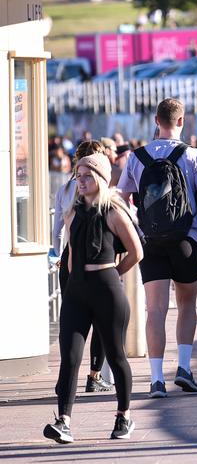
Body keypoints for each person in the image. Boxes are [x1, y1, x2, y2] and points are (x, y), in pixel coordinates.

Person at [117, 98, 197, 399]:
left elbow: (123, 198)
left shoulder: (136, 157)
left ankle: (156, 379)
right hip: (186, 240)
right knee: (187, 305)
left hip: (150, 241)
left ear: (156, 120)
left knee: (155, 310)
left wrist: (135, 233)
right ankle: (185, 369)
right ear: (181, 121)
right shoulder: (194, 155)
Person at [44, 154, 143, 444]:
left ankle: (124, 415)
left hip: (106, 289)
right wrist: (73, 282)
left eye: (87, 176)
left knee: (115, 355)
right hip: (77, 291)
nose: (81, 181)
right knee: (70, 357)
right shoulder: (72, 213)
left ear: (100, 178)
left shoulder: (113, 211)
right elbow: (72, 254)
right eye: (78, 175)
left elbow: (137, 251)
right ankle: (63, 422)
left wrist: (113, 273)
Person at [52, 140, 111, 394]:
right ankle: (94, 375)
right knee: (101, 320)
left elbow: (56, 233)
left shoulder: (64, 189)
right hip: (97, 257)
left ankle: (67, 377)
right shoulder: (100, 189)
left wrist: (57, 256)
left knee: (71, 321)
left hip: (69, 258)